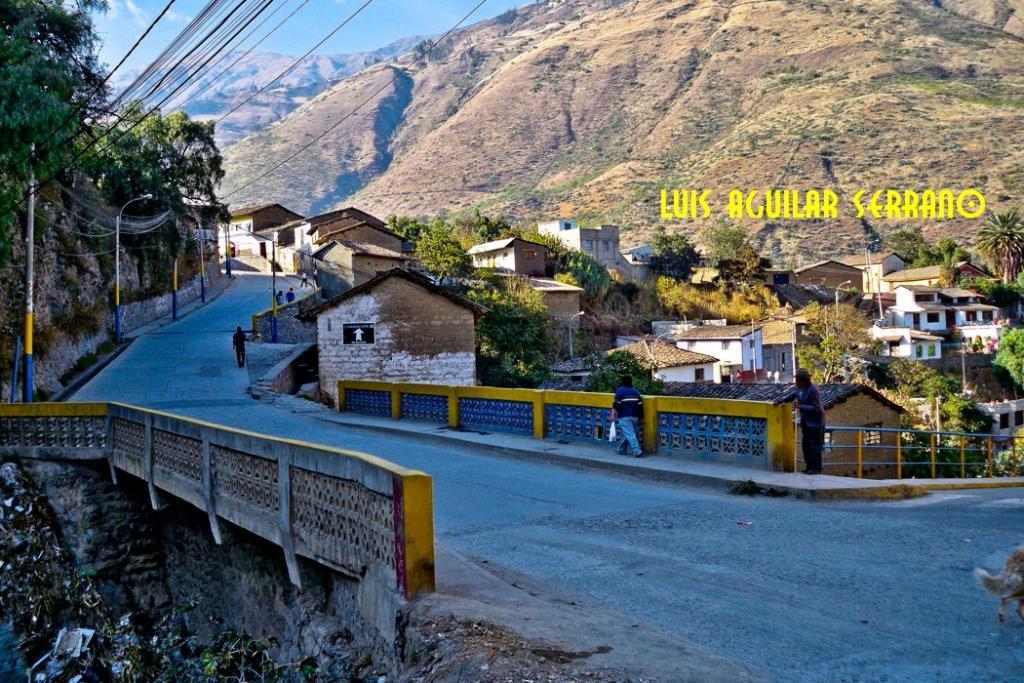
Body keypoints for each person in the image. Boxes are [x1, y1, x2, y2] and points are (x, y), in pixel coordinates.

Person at [793, 368, 826, 474]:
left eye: (797, 380)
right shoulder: (799, 389)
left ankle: (816, 469)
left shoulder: (813, 391)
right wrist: (780, 401)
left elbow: (816, 409)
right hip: (806, 423)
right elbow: (792, 395)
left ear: (803, 381)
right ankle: (809, 467)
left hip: (816, 424)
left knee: (815, 447)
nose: (795, 382)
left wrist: (800, 406)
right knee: (806, 446)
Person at [611, 375, 644, 458]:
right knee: (629, 433)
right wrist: (642, 417)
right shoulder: (636, 392)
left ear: (622, 381)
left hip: (624, 416)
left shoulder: (620, 391)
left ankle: (636, 450)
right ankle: (621, 449)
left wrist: (613, 415)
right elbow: (640, 406)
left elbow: (616, 405)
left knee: (629, 433)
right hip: (635, 416)